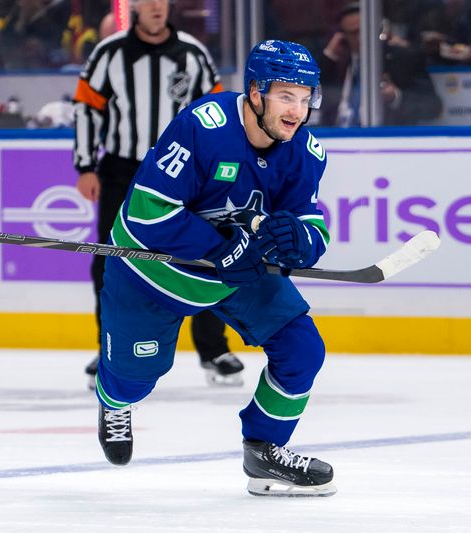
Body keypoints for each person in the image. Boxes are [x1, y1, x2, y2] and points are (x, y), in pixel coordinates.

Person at [94, 39, 336, 497]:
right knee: (135, 379)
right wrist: (220, 247)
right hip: (152, 271)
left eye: (306, 98)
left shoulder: (305, 150)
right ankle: (114, 401)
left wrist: (300, 242)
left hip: (235, 274)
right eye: (286, 96)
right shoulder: (203, 126)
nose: (297, 111)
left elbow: (309, 219)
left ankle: (264, 452)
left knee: (302, 349)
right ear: (256, 92)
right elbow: (150, 213)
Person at [72, 0, 245, 389]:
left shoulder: (193, 54)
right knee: (113, 261)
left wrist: (221, 169)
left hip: (185, 172)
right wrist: (85, 165)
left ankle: (214, 348)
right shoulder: (109, 53)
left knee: (208, 255)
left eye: (162, 1)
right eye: (148, 0)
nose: (156, 7)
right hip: (123, 170)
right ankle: (110, 346)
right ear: (133, 6)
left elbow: (218, 112)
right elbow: (86, 109)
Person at [318, 0, 442, 126]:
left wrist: (395, 96)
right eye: (354, 33)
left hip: (385, 138)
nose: (361, 37)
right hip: (337, 136)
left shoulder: (402, 59)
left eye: (365, 30)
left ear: (377, 29)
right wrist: (328, 55)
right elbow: (307, 94)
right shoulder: (336, 61)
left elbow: (433, 107)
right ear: (343, 36)